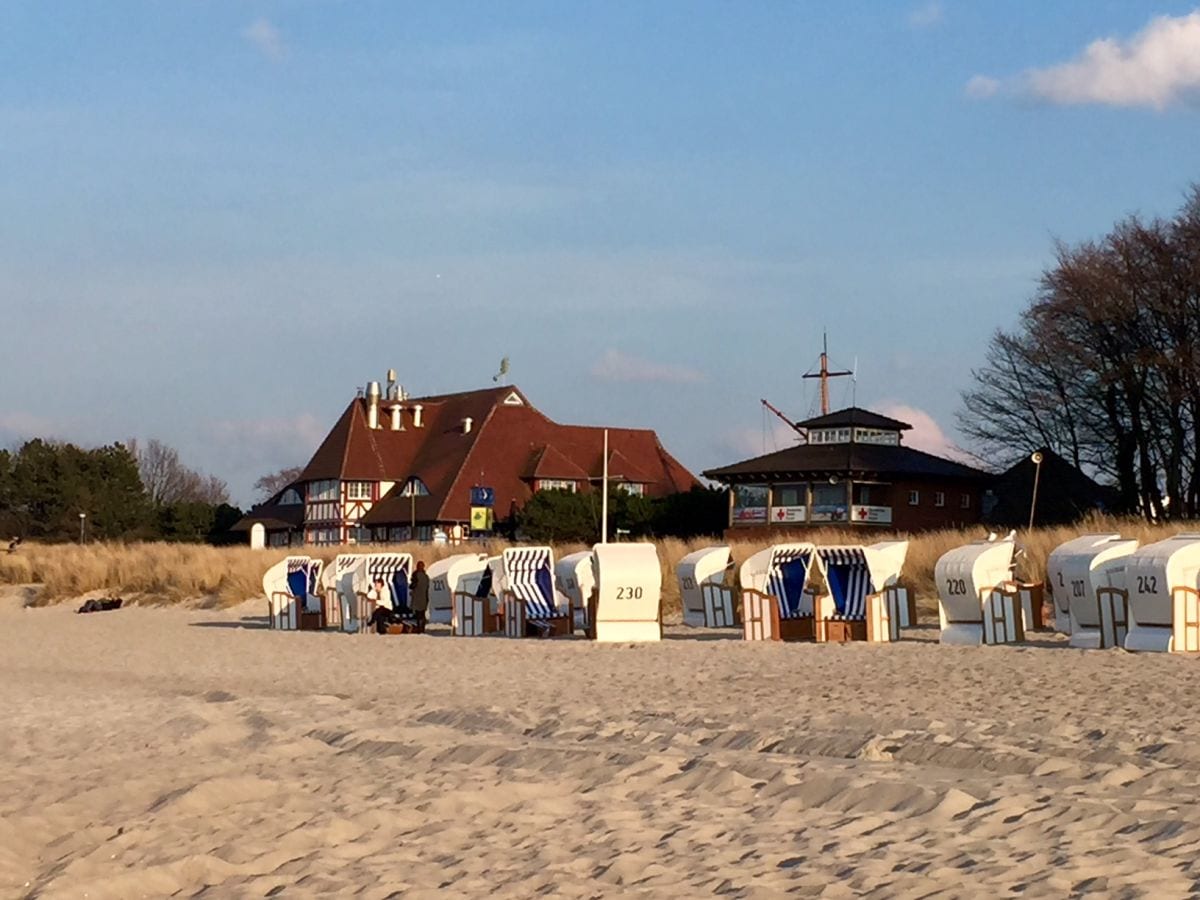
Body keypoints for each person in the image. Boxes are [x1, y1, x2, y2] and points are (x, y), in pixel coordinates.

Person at [410, 560, 431, 633]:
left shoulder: (415, 575)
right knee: (422, 614)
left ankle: (419, 628)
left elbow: (412, 586)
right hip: (424, 597)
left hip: (417, 597)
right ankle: (422, 628)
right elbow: (427, 587)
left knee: (418, 615)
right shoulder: (426, 577)